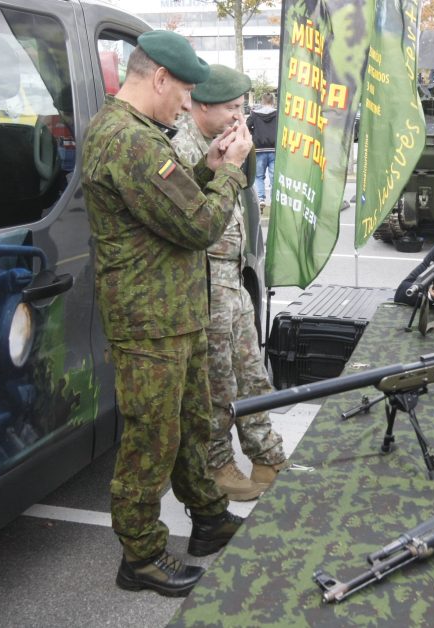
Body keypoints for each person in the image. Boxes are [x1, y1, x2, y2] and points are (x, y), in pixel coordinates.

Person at [81, 31, 252, 597]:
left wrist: (206, 168)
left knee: (189, 426)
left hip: (173, 316)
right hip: (148, 322)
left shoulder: (139, 137)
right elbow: (201, 226)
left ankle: (206, 518)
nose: (185, 104)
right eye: (182, 91)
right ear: (158, 79)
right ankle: (142, 557)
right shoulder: (130, 142)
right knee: (150, 440)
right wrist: (232, 171)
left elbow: (175, 208)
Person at [172, 65, 288, 503]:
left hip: (231, 277)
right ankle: (217, 462)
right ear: (202, 106)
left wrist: (244, 151)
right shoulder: (183, 147)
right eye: (232, 108)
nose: (240, 117)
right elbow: (192, 219)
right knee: (216, 382)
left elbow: (243, 189)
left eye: (243, 107)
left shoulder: (225, 139)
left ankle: (266, 452)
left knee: (251, 371)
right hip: (203, 281)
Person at [247, 92, 277, 209]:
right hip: (274, 149)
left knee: (259, 176)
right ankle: (275, 200)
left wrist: (254, 133)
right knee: (274, 176)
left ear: (262, 101)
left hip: (259, 149)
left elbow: (247, 125)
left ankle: (261, 199)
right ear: (273, 101)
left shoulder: (254, 114)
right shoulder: (278, 114)